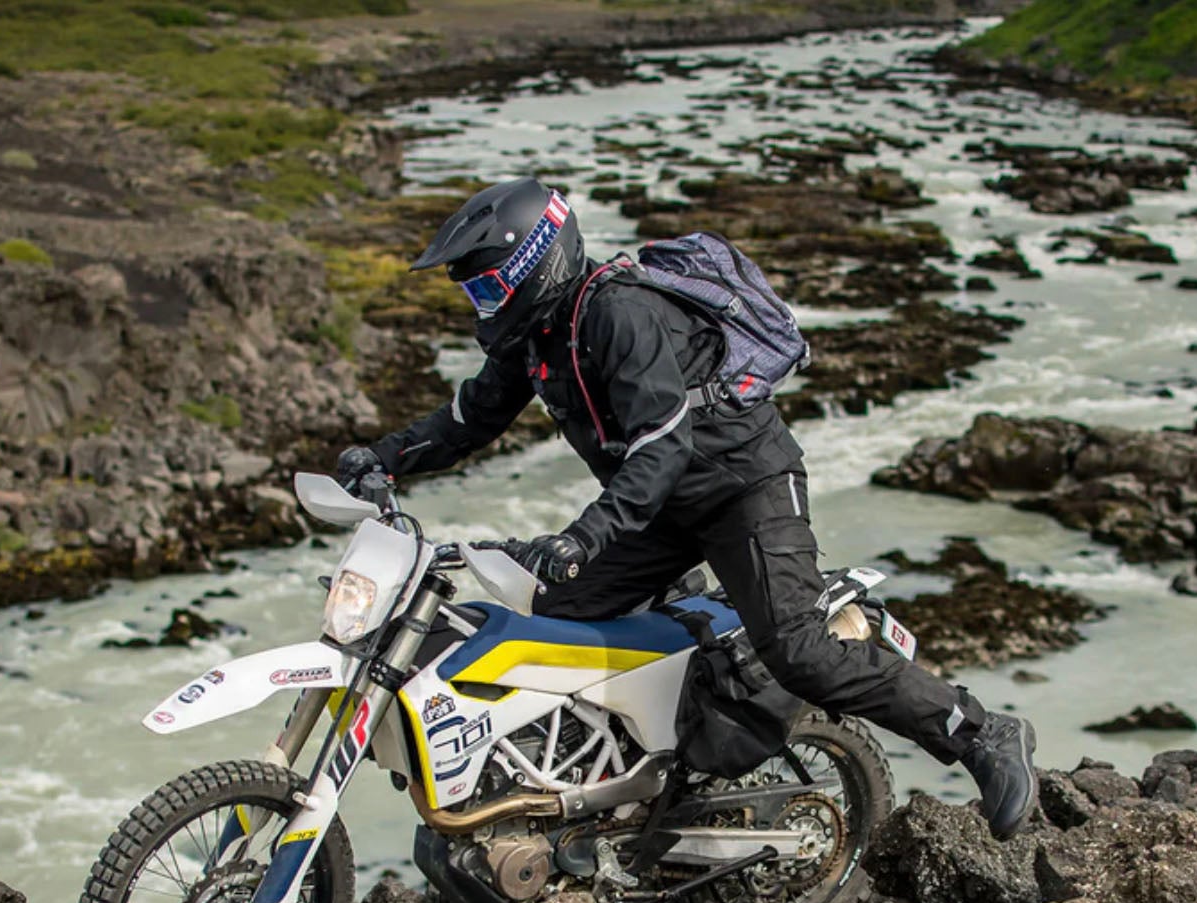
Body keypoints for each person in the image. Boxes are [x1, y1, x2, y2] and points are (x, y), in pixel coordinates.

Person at [337, 178, 1039, 837]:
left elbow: (662, 449)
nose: (485, 303)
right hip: (658, 505)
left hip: (743, 488)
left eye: (491, 284)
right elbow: (470, 418)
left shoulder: (619, 313)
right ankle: (604, 793)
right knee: (551, 620)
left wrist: (587, 535)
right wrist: (384, 456)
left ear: (537, 264)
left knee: (799, 651)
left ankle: (979, 733)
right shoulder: (537, 338)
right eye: (474, 291)